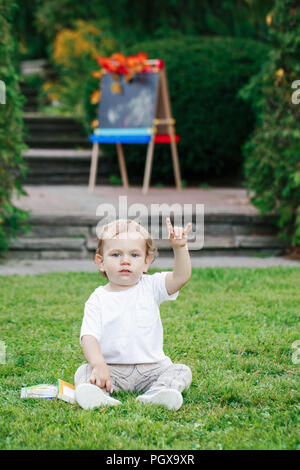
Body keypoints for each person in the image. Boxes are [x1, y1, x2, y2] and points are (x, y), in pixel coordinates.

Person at [74, 217, 192, 411]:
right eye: (116, 254)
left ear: (147, 262)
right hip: (112, 369)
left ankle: (157, 393)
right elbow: (88, 336)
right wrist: (98, 364)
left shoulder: (152, 286)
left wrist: (180, 248)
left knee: (181, 370)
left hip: (152, 368)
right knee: (84, 371)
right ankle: (99, 395)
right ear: (100, 262)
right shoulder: (97, 298)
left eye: (134, 255)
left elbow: (181, 277)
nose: (126, 260)